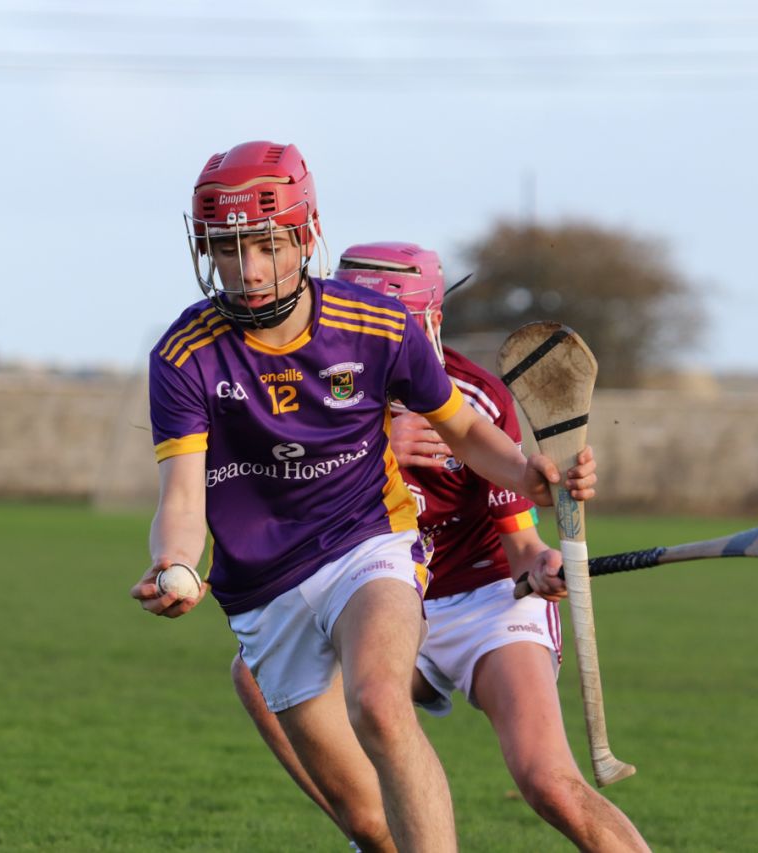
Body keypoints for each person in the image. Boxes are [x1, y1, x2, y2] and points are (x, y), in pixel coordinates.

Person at [130, 141, 597, 853]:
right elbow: (184, 497)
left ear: (305, 236)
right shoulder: (184, 356)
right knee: (372, 826)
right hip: (264, 590)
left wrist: (524, 471)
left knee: (379, 703)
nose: (249, 270)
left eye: (266, 245)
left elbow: (465, 429)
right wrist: (177, 562)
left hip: (367, 545)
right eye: (227, 249)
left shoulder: (375, 324)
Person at [230, 241, 649, 852]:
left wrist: (543, 566)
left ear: (427, 323)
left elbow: (522, 548)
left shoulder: (472, 399)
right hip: (375, 598)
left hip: (486, 599)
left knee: (549, 783)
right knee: (256, 674)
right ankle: (376, 834)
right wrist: (368, 451)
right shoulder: (307, 390)